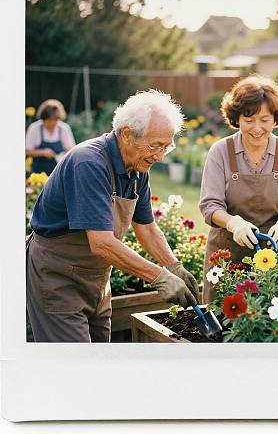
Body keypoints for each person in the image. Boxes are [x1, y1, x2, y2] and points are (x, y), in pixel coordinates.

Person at [26, 90, 200, 342]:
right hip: (58, 276)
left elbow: (147, 228)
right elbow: (101, 242)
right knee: (72, 366)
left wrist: (174, 265)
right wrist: (159, 277)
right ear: (127, 134)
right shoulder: (89, 163)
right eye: (155, 145)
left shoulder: (138, 168)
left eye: (167, 146)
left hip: (97, 280)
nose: (161, 156)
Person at [199, 75, 278, 303]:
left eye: (264, 120)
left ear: (275, 119)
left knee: (269, 321)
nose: (257, 128)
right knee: (222, 319)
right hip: (227, 255)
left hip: (273, 251)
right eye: (249, 120)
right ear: (236, 119)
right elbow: (210, 205)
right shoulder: (220, 152)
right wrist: (233, 223)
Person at [25, 99, 76, 175]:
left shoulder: (64, 128)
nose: (52, 123)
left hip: (59, 173)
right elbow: (27, 151)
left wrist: (62, 155)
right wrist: (42, 152)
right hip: (38, 173)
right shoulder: (34, 128)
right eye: (49, 120)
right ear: (43, 118)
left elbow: (71, 150)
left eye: (55, 120)